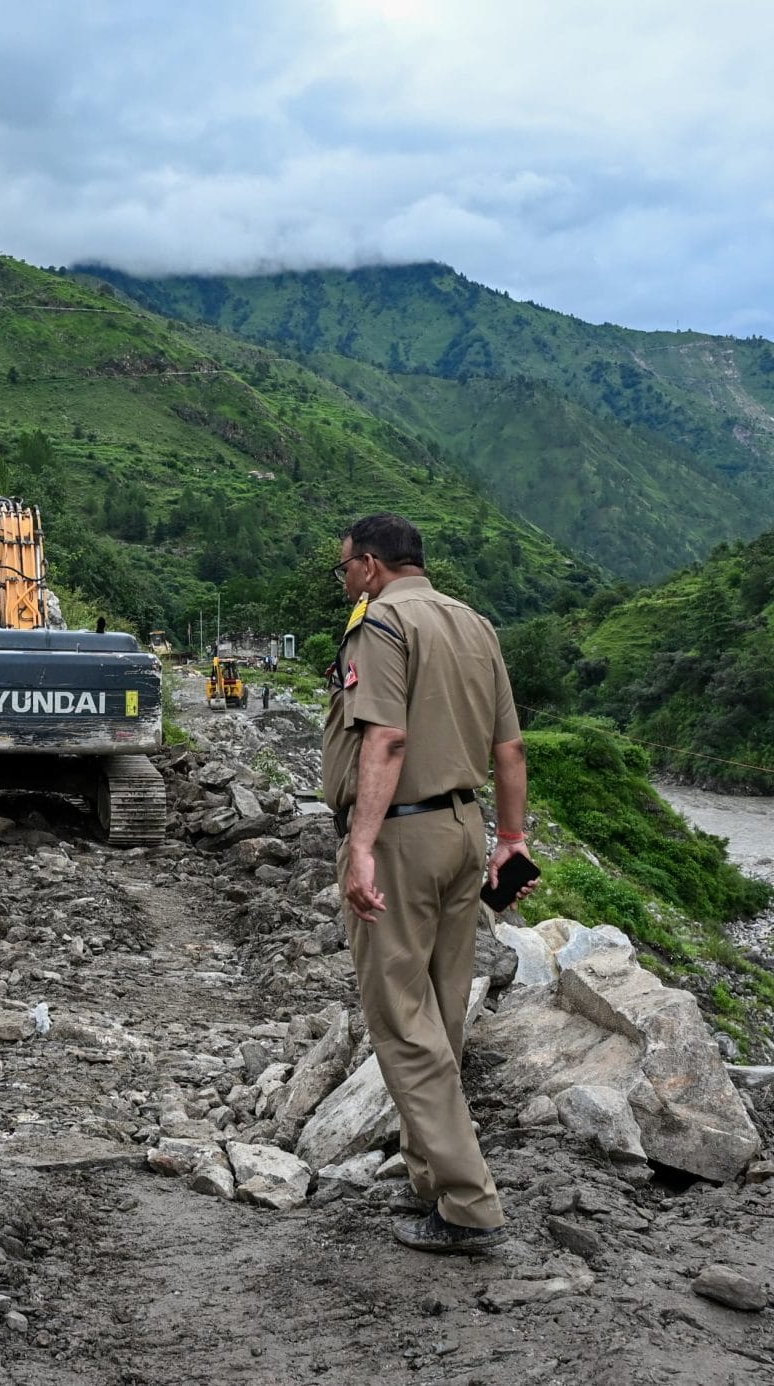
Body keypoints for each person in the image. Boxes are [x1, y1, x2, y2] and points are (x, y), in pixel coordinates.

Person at [320, 511, 531, 1254]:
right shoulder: (476, 626)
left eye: (345, 566)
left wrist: (364, 848)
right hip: (463, 831)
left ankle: (471, 1205)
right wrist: (511, 842)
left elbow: (387, 737)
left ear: (371, 565)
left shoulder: (379, 626)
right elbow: (509, 750)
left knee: (402, 1023)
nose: (344, 578)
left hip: (404, 833)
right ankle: (428, 1177)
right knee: (440, 1015)